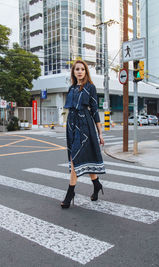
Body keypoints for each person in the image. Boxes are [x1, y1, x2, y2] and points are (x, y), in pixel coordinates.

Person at [61, 59, 106, 209]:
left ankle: (70, 193)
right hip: (72, 124)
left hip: (85, 126)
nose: (80, 71)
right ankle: (97, 184)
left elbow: (94, 110)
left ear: (86, 71)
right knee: (84, 159)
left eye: (82, 69)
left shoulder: (90, 88)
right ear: (73, 72)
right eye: (77, 69)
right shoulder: (71, 88)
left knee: (75, 158)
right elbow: (69, 108)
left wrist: (100, 133)